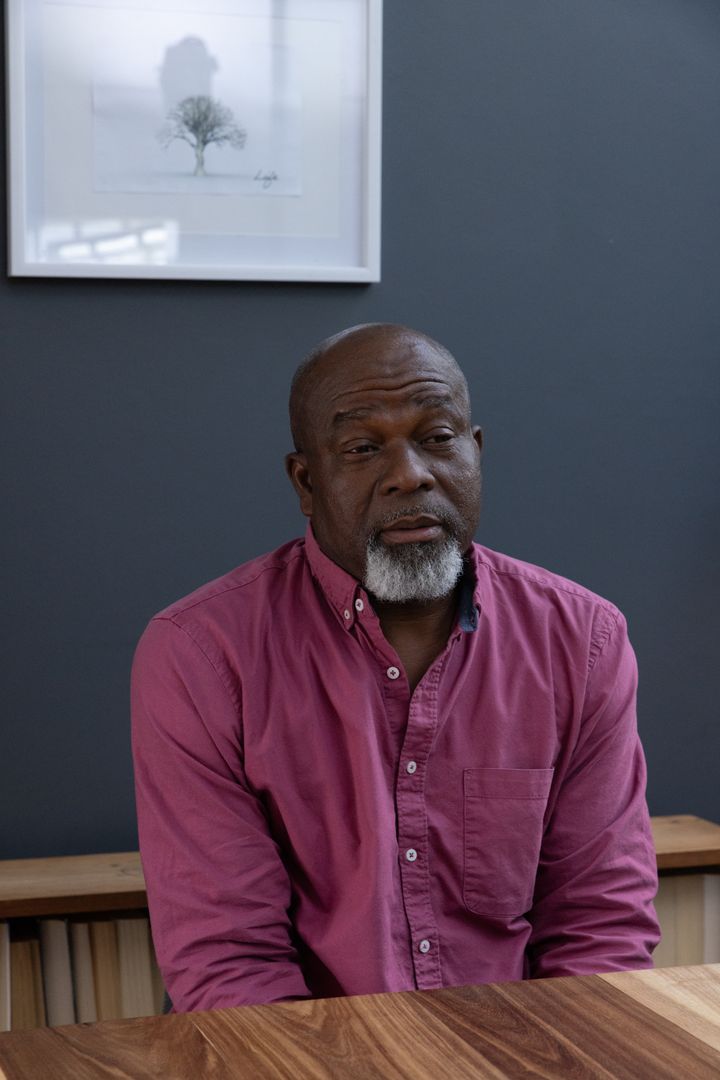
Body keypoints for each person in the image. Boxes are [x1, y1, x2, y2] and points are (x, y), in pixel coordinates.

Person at [131, 323, 660, 1013]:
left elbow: (599, 929)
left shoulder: (583, 640)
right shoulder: (202, 654)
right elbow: (230, 963)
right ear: (306, 481)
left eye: (438, 438)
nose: (411, 473)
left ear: (476, 453)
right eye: (362, 447)